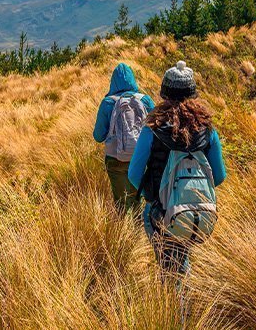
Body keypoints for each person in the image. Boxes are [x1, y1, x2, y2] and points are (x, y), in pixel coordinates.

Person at [128, 60, 226, 279]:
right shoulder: (207, 130)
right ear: (192, 94)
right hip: (197, 213)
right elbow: (219, 176)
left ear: (164, 93)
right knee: (181, 259)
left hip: (161, 212)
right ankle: (182, 304)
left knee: (169, 269)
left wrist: (155, 196)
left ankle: (176, 311)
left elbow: (133, 175)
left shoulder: (152, 130)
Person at [93, 63, 155, 213]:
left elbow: (98, 136)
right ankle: (139, 231)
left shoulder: (108, 103)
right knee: (138, 200)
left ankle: (123, 232)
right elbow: (156, 129)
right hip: (140, 158)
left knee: (121, 202)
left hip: (115, 159)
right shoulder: (145, 100)